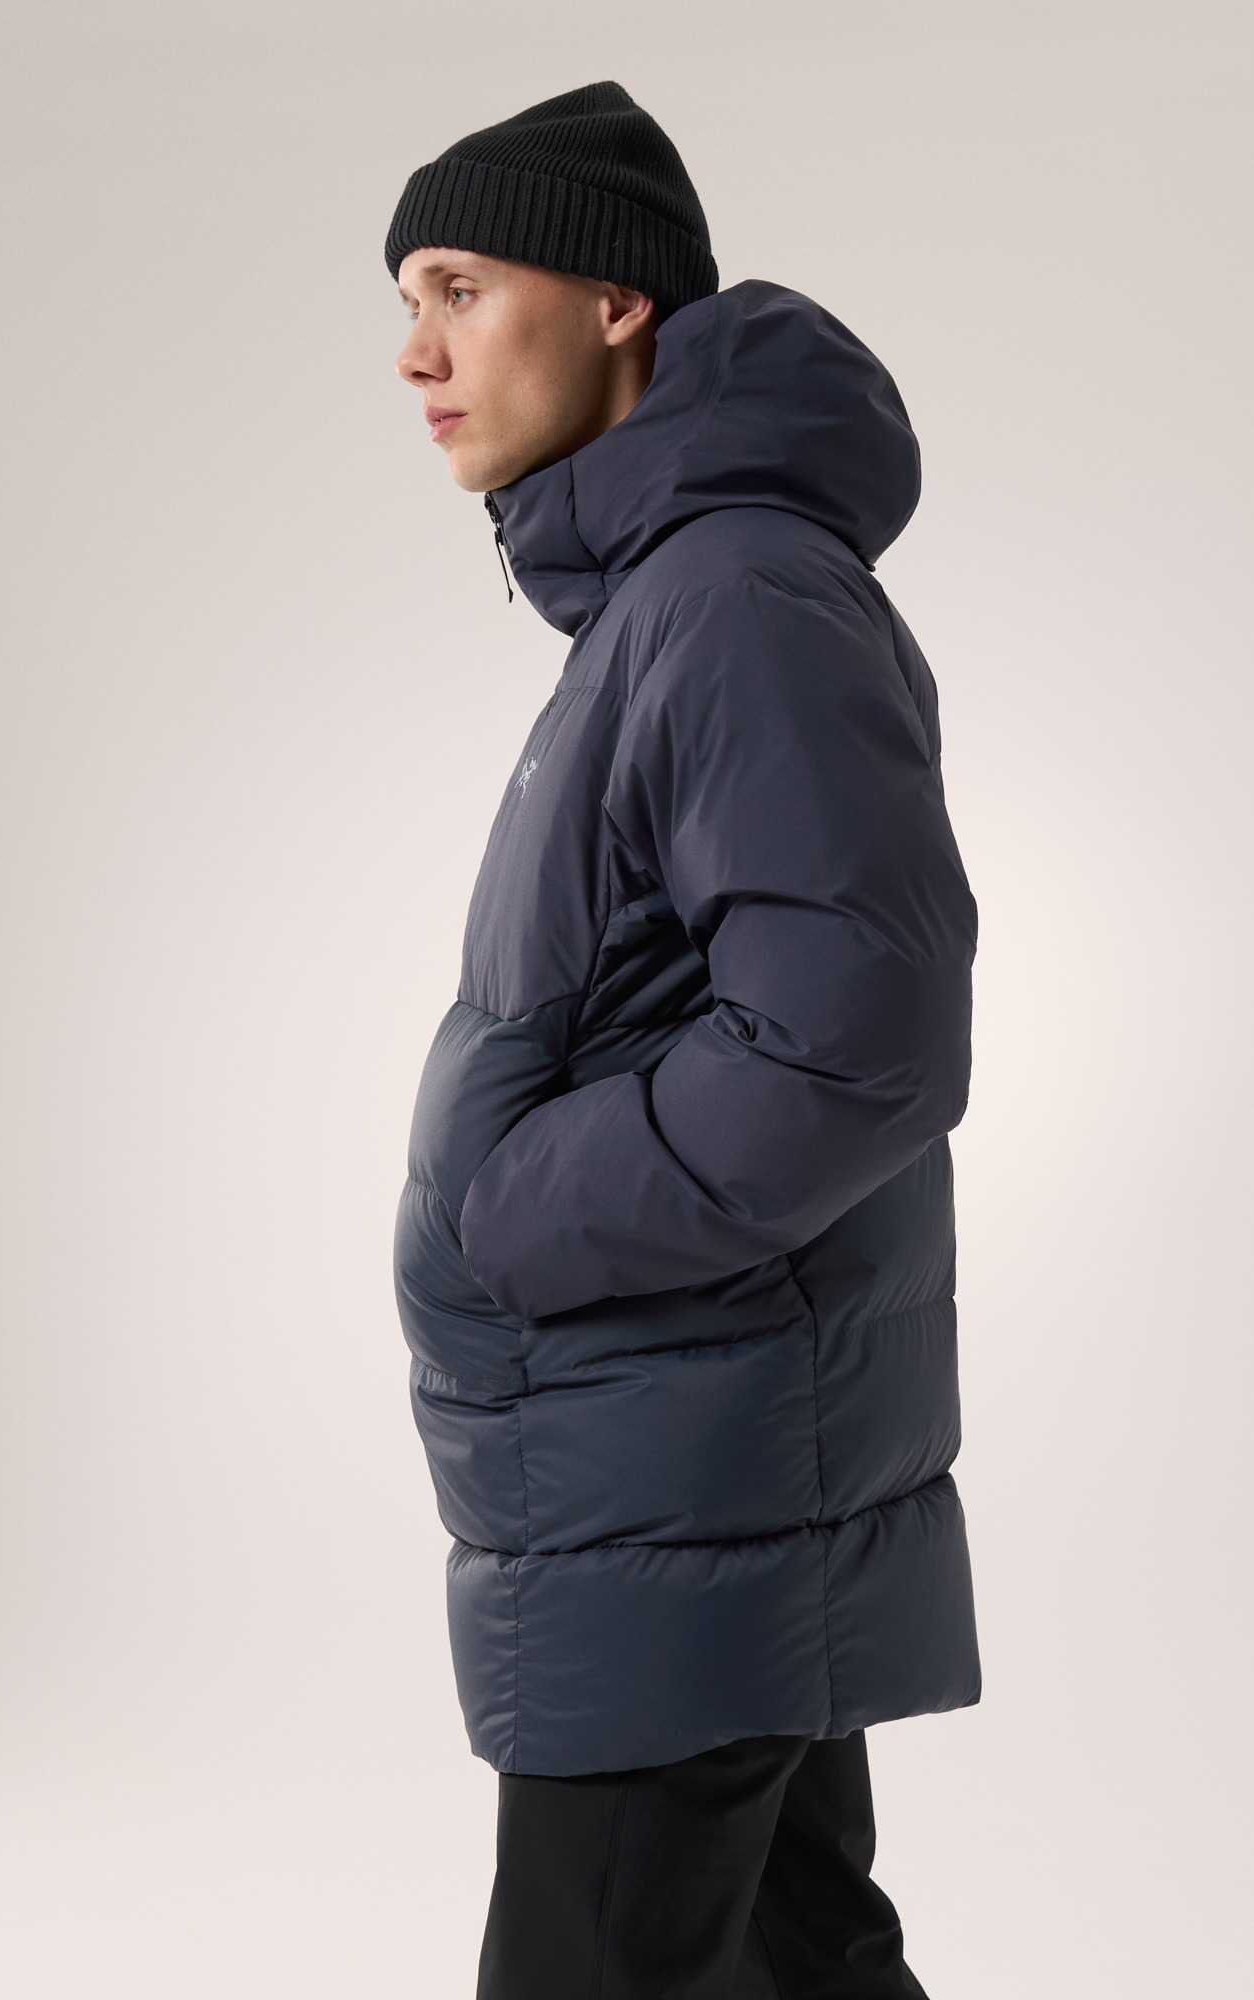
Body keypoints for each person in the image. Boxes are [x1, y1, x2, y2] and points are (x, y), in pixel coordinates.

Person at [387, 81, 978, 2000]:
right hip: (683, 1491)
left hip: (677, 1481)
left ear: (616, 301)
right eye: (408, 302)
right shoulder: (671, 601)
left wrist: (508, 1210)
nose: (416, 354)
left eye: (461, 287)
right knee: (800, 1965)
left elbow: (854, 1042)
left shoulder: (732, 598)